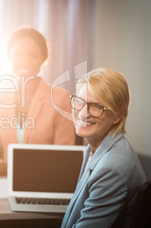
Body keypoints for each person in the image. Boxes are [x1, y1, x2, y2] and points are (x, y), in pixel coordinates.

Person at [0, 28, 76, 175]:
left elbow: (64, 155)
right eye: (19, 54)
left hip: (44, 181)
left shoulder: (60, 99)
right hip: (3, 181)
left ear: (43, 59)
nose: (25, 61)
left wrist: (12, 168)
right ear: (9, 57)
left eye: (33, 55)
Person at [61, 68, 147, 228]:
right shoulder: (94, 146)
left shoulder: (111, 168)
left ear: (118, 115)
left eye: (96, 106)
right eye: (79, 101)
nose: (83, 114)